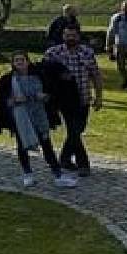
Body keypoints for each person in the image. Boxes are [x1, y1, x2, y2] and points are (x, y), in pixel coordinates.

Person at [0, 52, 78, 189]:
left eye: (22, 60)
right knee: (22, 146)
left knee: (47, 145)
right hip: (21, 117)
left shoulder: (40, 76)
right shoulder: (8, 81)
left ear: (27, 61)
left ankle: (58, 175)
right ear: (13, 63)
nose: (20, 63)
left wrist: (44, 96)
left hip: (39, 115)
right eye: (16, 60)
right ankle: (28, 174)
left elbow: (51, 94)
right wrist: (15, 100)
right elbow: (4, 102)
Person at [43, 27, 104, 176]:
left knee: (79, 129)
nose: (70, 38)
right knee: (73, 130)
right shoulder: (53, 53)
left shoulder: (87, 52)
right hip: (63, 99)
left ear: (78, 36)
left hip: (83, 97)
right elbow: (43, 75)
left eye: (73, 35)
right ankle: (83, 163)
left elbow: (95, 75)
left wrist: (99, 96)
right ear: (63, 36)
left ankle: (64, 158)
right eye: (67, 35)